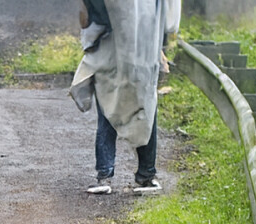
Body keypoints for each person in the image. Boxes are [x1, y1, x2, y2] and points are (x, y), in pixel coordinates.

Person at [70, 0, 180, 194]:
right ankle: (146, 176)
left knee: (109, 105)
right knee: (144, 108)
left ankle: (106, 175)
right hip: (143, 51)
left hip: (111, 48)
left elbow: (86, 18)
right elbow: (169, 21)